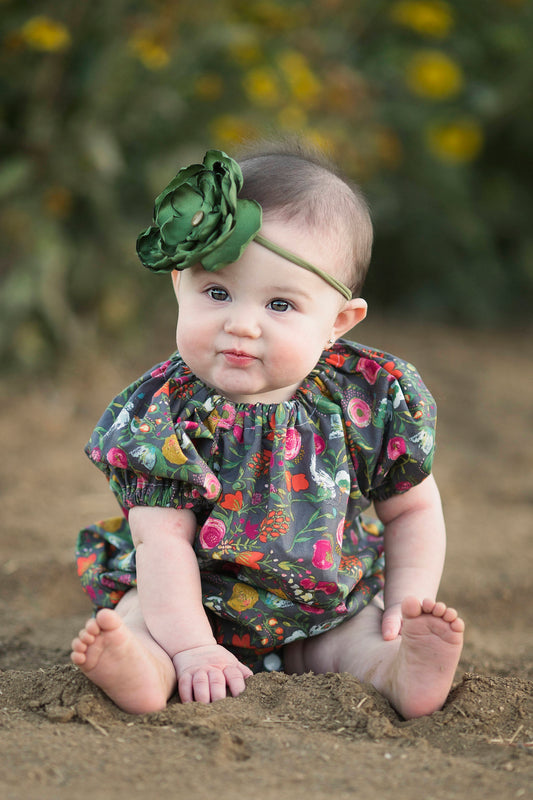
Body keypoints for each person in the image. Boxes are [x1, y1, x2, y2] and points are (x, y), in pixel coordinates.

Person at [71, 145, 464, 719]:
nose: (242, 323)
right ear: (180, 282)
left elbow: (412, 511)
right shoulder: (165, 414)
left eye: (280, 303)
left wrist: (403, 601)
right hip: (194, 601)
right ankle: (150, 669)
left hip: (325, 600)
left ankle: (396, 669)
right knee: (139, 610)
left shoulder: (365, 399)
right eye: (218, 292)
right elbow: (162, 542)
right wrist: (194, 647)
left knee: (359, 635)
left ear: (337, 322)